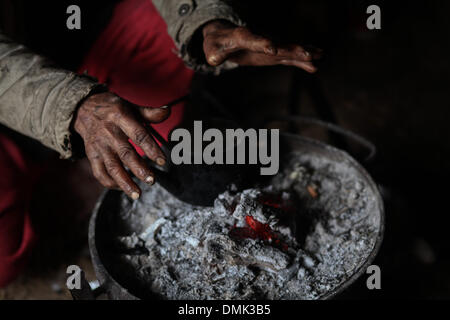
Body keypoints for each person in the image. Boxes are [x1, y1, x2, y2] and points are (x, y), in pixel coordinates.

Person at [0, 0, 320, 287]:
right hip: (10, 100)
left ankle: (87, 142)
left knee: (155, 25)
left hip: (88, 44)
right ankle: (52, 163)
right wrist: (71, 107)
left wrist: (203, 25)